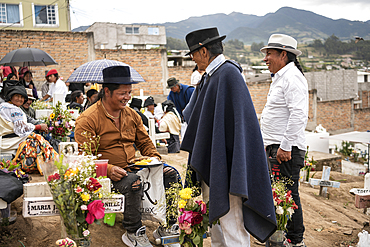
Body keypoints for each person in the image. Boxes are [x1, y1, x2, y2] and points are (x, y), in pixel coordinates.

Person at [181, 27, 277, 246]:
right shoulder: (211, 77)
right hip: (216, 163)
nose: (194, 60)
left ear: (203, 51)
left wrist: (229, 166)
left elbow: (240, 129)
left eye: (194, 54)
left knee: (232, 226)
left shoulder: (228, 74)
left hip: (229, 164)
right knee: (217, 224)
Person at [75, 66, 180, 247]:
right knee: (133, 182)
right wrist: (107, 170)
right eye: (122, 93)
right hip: (107, 176)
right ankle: (133, 232)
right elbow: (85, 159)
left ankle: (168, 226)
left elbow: (145, 143)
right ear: (106, 91)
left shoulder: (132, 114)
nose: (127, 97)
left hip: (134, 167)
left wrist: (155, 160)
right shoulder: (88, 119)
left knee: (171, 174)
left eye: (129, 92)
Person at [260, 34, 308, 247]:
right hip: (276, 148)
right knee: (279, 195)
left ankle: (295, 241)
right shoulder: (280, 76)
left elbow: (299, 114)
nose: (265, 58)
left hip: (285, 150)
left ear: (283, 54)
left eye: (269, 53)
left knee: (288, 196)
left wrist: (285, 146)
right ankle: (280, 236)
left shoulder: (292, 77)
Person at [0, 86, 55, 174]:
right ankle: (50, 165)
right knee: (38, 141)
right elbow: (21, 129)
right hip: (10, 141)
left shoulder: (3, 106)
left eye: (22, 97)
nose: (20, 99)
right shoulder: (14, 109)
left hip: (4, 140)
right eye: (17, 96)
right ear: (11, 96)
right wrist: (38, 127)